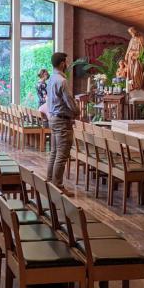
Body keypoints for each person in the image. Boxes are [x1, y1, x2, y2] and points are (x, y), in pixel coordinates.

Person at [46, 52, 78, 195]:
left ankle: (49, 181)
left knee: (54, 152)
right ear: (61, 64)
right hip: (62, 120)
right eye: (66, 62)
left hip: (53, 118)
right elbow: (69, 101)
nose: (67, 64)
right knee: (62, 154)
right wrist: (77, 111)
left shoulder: (52, 78)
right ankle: (57, 185)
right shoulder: (62, 81)